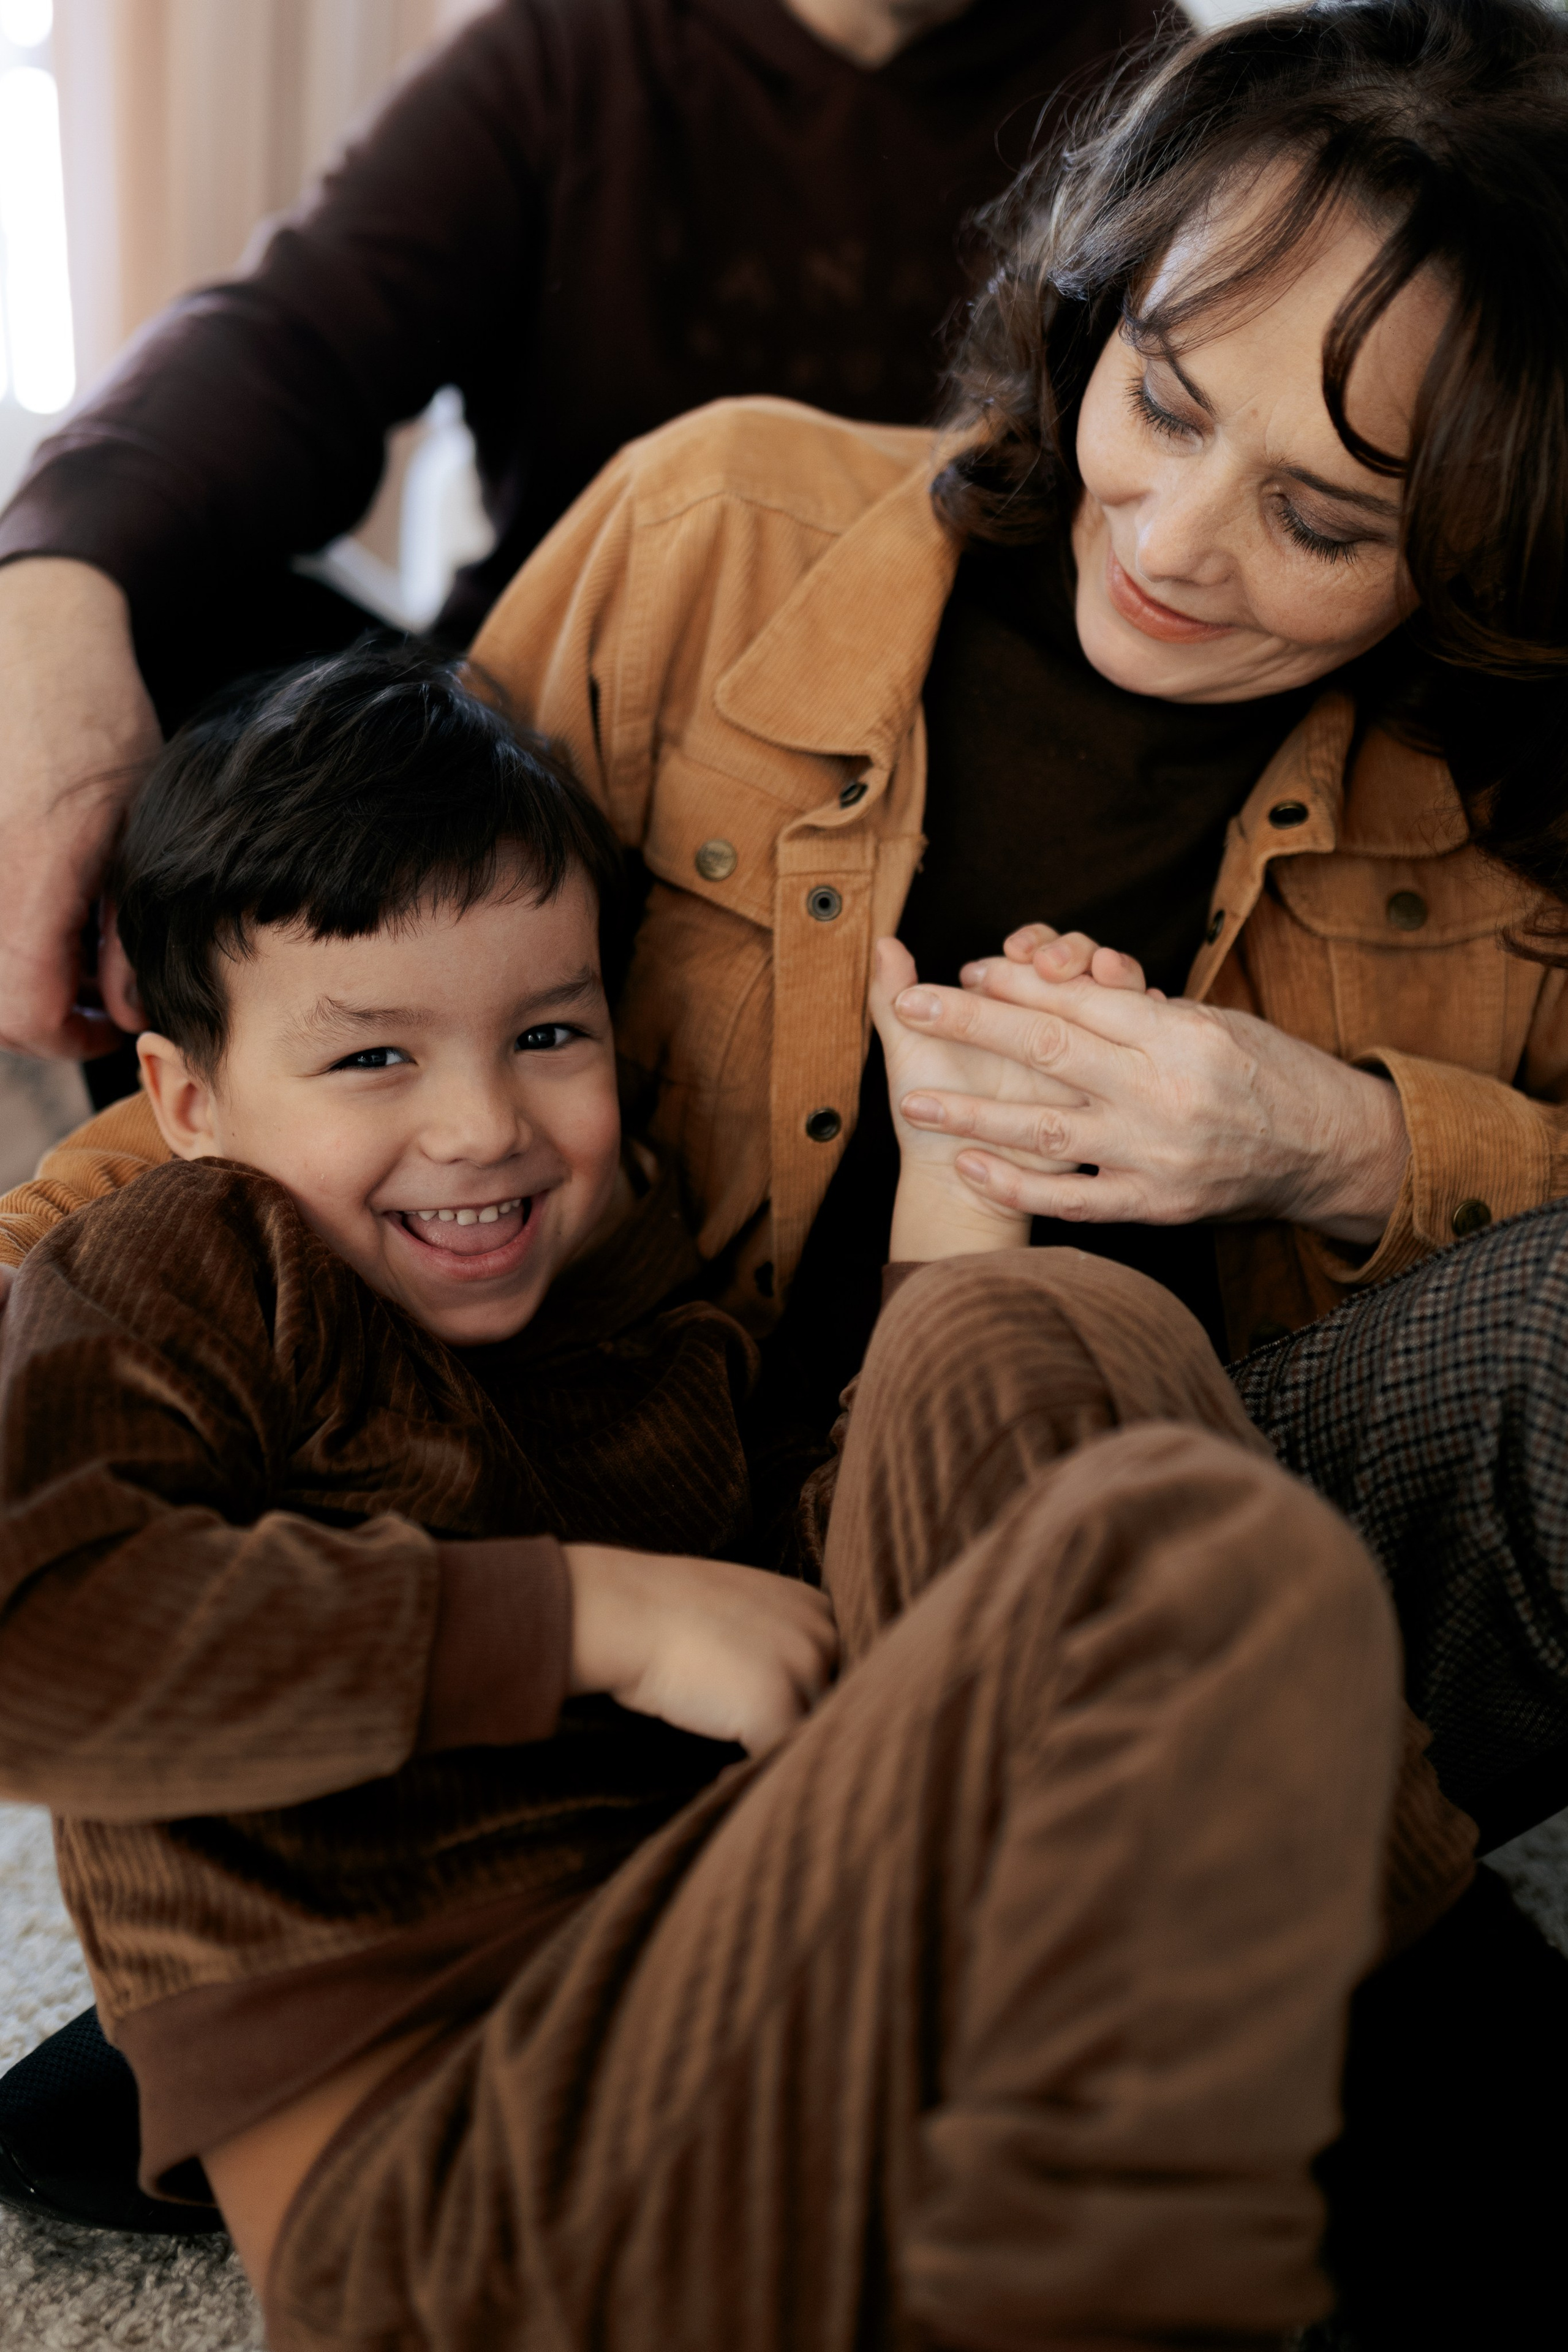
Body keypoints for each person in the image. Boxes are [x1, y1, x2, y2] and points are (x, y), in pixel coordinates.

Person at [0, 641, 1416, 2348]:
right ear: (189, 1101)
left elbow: (837, 1648)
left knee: (1058, 1334)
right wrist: (599, 1616)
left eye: (545, 1033)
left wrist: (962, 1200)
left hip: (768, 2033)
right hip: (462, 2203)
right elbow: (40, 1635)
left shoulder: (643, 1318)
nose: (480, 1127)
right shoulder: (188, 1258)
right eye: (373, 1060)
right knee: (1205, 1574)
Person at [0, 0, 1162, 1096]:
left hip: (918, 800)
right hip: (547, 742)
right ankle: (205, 1177)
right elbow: (293, 338)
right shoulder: (573, 47)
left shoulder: (1153, 86)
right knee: (161, 622)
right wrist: (51, 592)